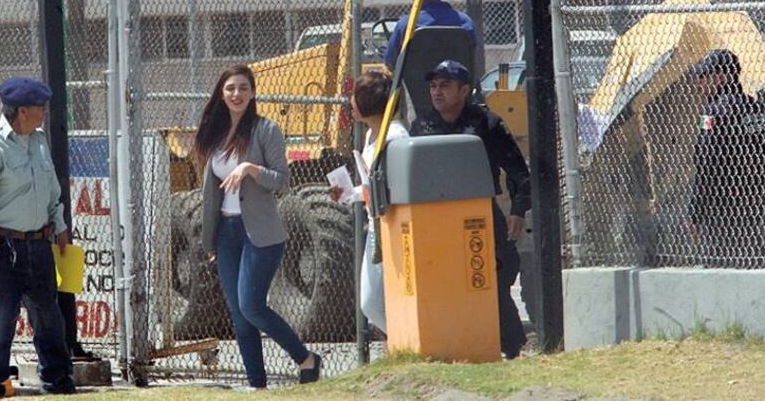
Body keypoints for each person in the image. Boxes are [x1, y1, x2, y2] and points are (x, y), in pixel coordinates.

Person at [195, 65, 322, 389]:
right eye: (230, 89)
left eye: (242, 88)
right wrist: (210, 242)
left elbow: (282, 181)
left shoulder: (266, 130)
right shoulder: (214, 132)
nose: (236, 94)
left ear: (252, 93)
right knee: (239, 315)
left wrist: (251, 168)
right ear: (221, 94)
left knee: (252, 305)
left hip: (260, 233)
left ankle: (305, 359)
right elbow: (210, 192)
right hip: (225, 233)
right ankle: (257, 385)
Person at [0, 77, 75, 400]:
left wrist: (59, 224)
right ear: (22, 111)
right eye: (40, 108)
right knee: (1, 321)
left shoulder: (38, 141)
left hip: (39, 244)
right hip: (4, 247)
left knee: (49, 318)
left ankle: (58, 380)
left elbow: (52, 191)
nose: (44, 114)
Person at [410, 60, 530, 359]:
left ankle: (511, 345)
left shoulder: (486, 124)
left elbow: (518, 171)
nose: (437, 92)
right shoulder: (422, 126)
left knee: (496, 275)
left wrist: (518, 210)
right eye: (434, 85)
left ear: (464, 90)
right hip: (435, 218)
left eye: (446, 85)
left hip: (480, 214)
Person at [687, 49, 765, 269]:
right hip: (756, 207)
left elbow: (705, 164)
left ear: (721, 76)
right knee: (756, 270)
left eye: (703, 76)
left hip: (722, 212)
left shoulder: (713, 112)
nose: (698, 84)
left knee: (719, 275)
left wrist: (694, 212)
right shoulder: (759, 108)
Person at [328, 70, 408, 335]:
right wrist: (349, 193)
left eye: (355, 95)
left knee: (373, 303)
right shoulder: (371, 135)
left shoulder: (394, 136)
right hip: (376, 226)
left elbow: (396, 188)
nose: (350, 102)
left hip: (392, 228)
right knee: (371, 303)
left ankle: (407, 343)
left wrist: (365, 193)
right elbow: (371, 185)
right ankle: (402, 344)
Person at [383, 0, 479, 70]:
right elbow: (471, 55)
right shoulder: (465, 22)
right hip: (456, 83)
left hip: (414, 85)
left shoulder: (407, 24)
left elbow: (391, 62)